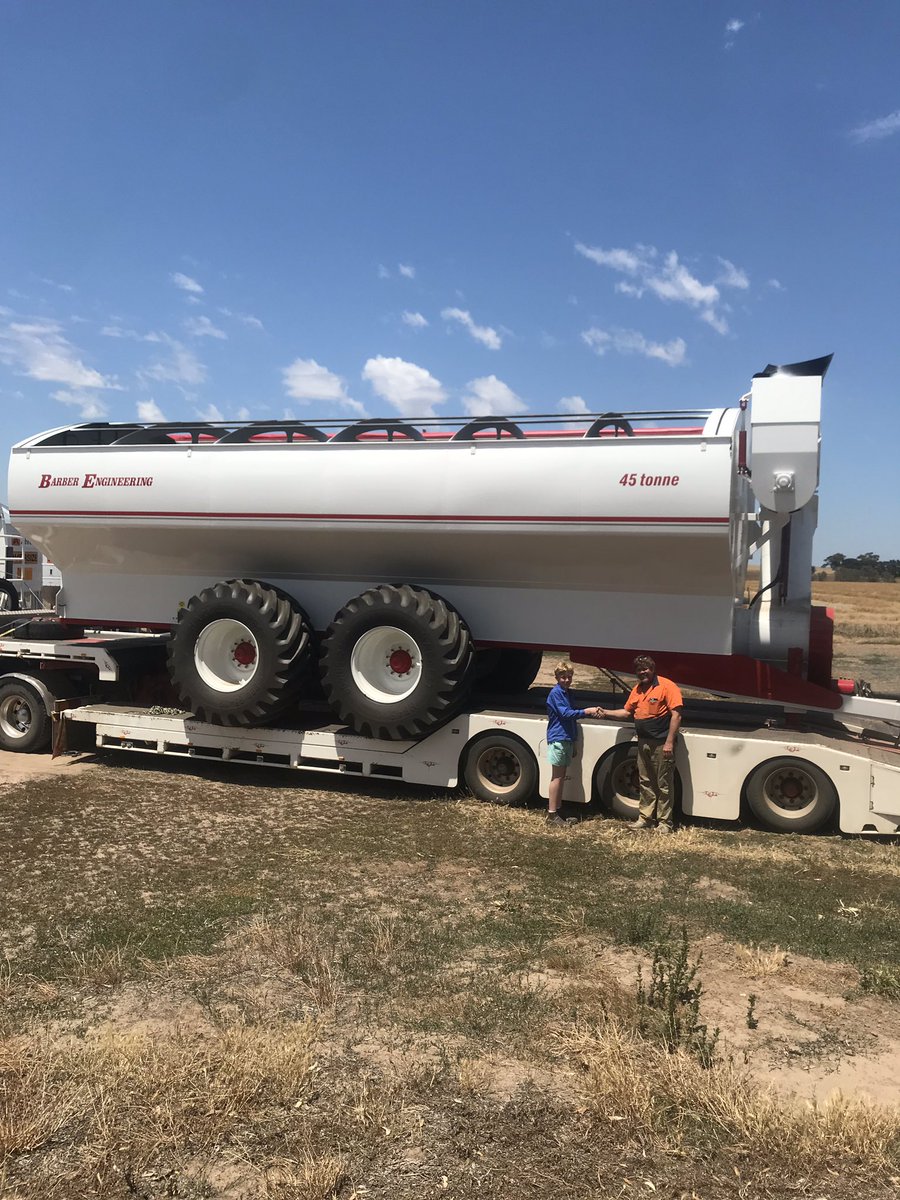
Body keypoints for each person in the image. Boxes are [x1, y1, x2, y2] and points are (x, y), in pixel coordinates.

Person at [597, 655, 683, 834]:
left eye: (646, 668)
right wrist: (605, 712)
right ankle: (645, 818)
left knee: (663, 783)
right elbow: (626, 712)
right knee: (645, 781)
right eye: (639, 670)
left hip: (661, 744)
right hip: (643, 742)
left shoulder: (667, 686)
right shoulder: (637, 689)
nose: (642, 672)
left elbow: (676, 715)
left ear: (653, 669)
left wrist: (669, 742)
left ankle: (665, 823)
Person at [546, 661, 600, 824]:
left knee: (561, 777)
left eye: (569, 677)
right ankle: (552, 814)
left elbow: (571, 721)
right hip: (558, 738)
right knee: (557, 777)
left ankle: (558, 809)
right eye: (563, 677)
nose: (567, 680)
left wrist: (574, 741)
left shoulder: (567, 693)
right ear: (557, 677)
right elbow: (565, 714)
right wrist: (587, 711)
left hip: (567, 738)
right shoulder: (556, 693)